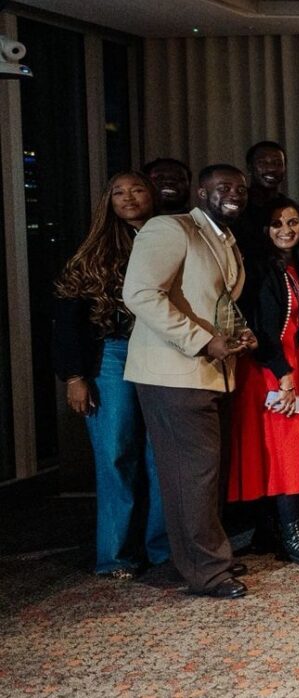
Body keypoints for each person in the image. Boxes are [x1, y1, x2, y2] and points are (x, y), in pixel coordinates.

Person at [123, 164, 258, 599]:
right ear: (202, 193)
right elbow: (140, 293)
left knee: (205, 475)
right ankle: (206, 571)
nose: (233, 193)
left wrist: (240, 332)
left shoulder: (225, 238)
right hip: (173, 372)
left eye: (239, 187)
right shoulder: (170, 228)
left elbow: (212, 299)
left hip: (212, 374)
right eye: (223, 187)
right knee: (193, 475)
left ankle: (206, 556)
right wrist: (201, 340)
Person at [54, 171, 168, 580]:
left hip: (163, 352)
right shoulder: (92, 252)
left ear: (151, 194)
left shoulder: (171, 234)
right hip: (111, 354)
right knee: (117, 454)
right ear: (108, 202)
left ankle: (163, 551)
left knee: (162, 456)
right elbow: (67, 321)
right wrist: (74, 377)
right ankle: (117, 556)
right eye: (118, 192)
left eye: (136, 189)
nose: (129, 197)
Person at [227, 198, 299, 564]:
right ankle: (291, 535)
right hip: (269, 370)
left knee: (284, 449)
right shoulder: (259, 269)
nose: (286, 230)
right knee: (284, 451)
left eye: (292, 222)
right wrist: (282, 374)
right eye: (276, 223)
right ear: (263, 230)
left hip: (293, 365)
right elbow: (258, 328)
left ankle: (268, 532)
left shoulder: (294, 266)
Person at [245, 141, 289, 211]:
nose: (271, 168)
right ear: (250, 167)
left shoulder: (291, 209)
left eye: (277, 163)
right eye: (262, 162)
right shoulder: (238, 205)